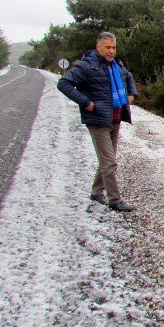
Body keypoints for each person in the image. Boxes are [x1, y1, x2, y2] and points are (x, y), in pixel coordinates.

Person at [57, 32, 138, 212]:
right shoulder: (87, 66)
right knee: (109, 162)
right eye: (107, 47)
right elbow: (63, 83)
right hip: (98, 120)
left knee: (107, 160)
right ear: (98, 47)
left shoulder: (117, 65)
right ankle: (115, 200)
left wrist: (131, 95)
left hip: (115, 118)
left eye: (114, 47)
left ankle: (96, 192)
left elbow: (129, 77)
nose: (111, 51)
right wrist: (87, 104)